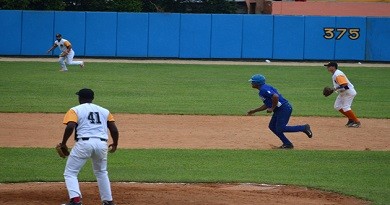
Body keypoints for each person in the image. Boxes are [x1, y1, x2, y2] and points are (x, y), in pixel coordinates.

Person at [60, 88, 119, 205]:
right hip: (102, 144)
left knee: (70, 172)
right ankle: (108, 201)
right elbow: (114, 129)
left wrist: (63, 143)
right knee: (101, 172)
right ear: (92, 98)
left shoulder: (74, 110)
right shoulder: (104, 111)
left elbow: (70, 126)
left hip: (84, 144)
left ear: (80, 98)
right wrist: (115, 143)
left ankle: (76, 200)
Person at [247, 74, 312, 149]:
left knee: (281, 128)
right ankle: (287, 144)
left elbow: (275, 96)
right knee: (272, 126)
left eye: (252, 82)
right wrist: (254, 111)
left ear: (257, 83)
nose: (251, 83)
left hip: (284, 109)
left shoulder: (264, 89)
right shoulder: (263, 89)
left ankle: (303, 128)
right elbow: (267, 104)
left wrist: (272, 108)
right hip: (280, 109)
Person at [324, 62, 361, 128]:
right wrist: (334, 89)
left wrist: (334, 89)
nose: (327, 68)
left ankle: (356, 122)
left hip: (348, 92)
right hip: (343, 92)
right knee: (337, 106)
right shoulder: (335, 74)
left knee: (346, 107)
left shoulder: (338, 74)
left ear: (333, 67)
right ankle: (351, 119)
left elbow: (345, 85)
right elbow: (342, 86)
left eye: (329, 66)